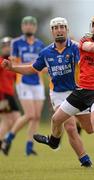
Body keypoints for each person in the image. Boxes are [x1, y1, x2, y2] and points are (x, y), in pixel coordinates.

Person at [32, 14, 94, 172]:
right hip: (81, 90)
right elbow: (91, 48)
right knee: (56, 119)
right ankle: (54, 141)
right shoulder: (85, 41)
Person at [1, 17, 92, 167]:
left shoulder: (76, 48)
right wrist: (12, 68)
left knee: (89, 129)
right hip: (58, 94)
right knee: (69, 127)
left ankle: (54, 141)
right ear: (52, 31)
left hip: (78, 91)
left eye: (62, 26)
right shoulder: (46, 52)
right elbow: (32, 68)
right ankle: (84, 160)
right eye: (56, 28)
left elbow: (90, 57)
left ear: (67, 29)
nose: (59, 30)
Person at [1, 16, 45, 156]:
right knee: (29, 114)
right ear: (22, 27)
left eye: (31, 24)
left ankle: (29, 146)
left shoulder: (40, 44)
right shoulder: (16, 43)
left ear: (35, 27)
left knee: (36, 116)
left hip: (38, 82)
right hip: (23, 81)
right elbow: (13, 63)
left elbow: (44, 64)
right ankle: (9, 137)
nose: (28, 27)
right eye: (26, 24)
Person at [0, 37, 20, 151]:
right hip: (2, 94)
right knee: (7, 120)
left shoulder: (13, 64)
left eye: (9, 46)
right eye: (5, 46)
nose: (7, 48)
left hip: (9, 95)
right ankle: (4, 142)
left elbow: (16, 79)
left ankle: (5, 141)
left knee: (14, 119)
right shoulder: (2, 61)